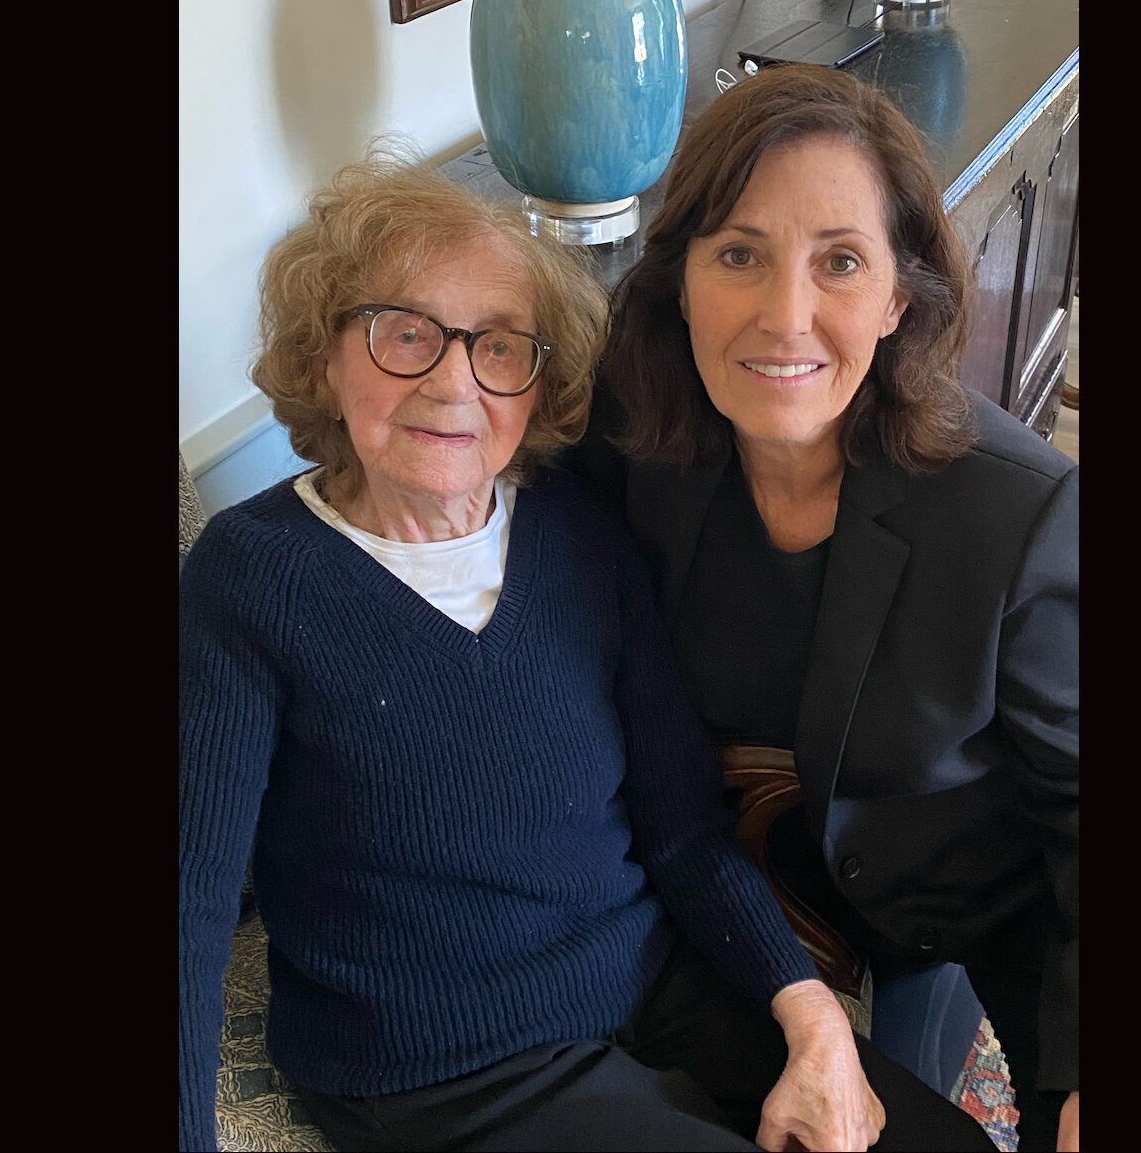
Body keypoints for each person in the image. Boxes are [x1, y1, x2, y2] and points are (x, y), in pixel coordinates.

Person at [178, 153, 998, 1152]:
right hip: (449, 1068)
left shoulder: (576, 531)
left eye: (500, 347)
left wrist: (806, 1010)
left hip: (652, 988)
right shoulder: (250, 579)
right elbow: (189, 902)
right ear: (321, 359)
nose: (452, 381)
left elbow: (685, 830)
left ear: (537, 385)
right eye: (404, 334)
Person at [564, 65, 1080, 1151]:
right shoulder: (634, 439)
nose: (782, 316)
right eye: (739, 254)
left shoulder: (1019, 512)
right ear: (682, 281)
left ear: (899, 296)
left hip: (977, 895)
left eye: (838, 261)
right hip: (733, 878)